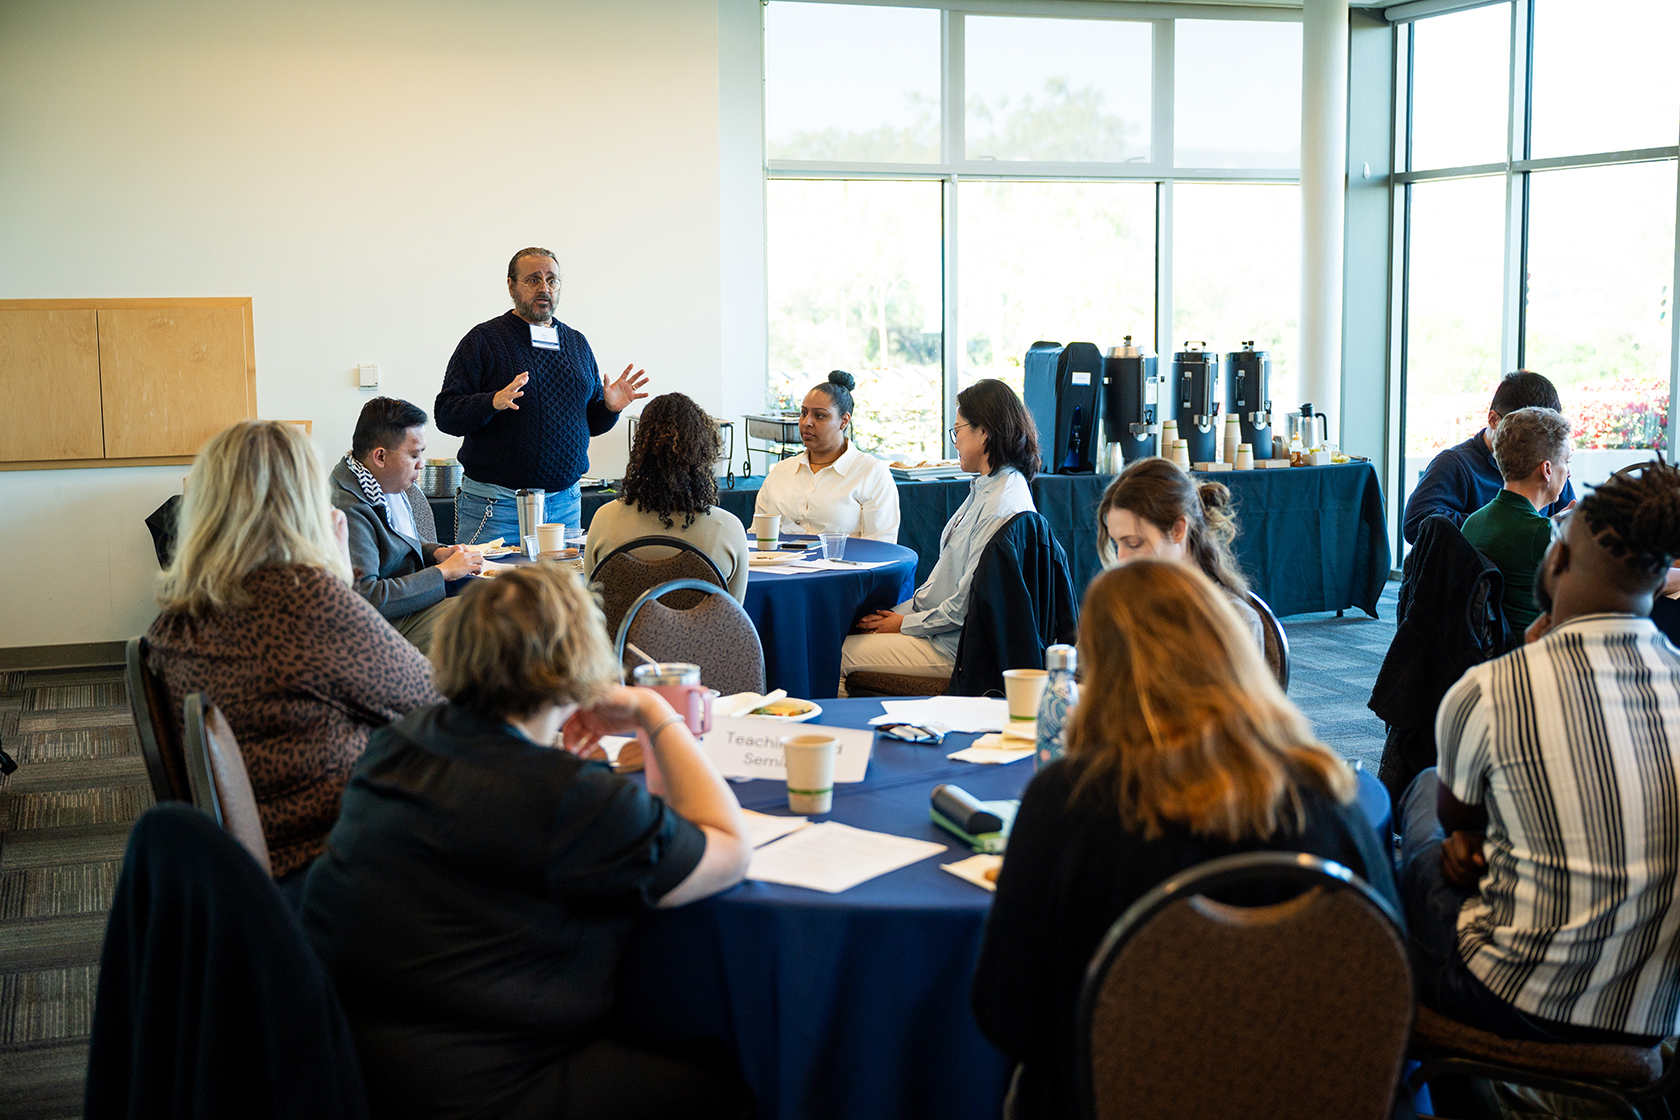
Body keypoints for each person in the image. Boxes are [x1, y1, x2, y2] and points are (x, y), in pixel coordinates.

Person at [301, 563, 753, 1120]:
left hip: (346, 1061)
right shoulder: (569, 797)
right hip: (486, 1087)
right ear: (579, 661)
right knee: (726, 1078)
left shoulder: (398, 742)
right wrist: (655, 711)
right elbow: (731, 849)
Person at [973, 560, 1397, 1120]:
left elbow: (1009, 1015)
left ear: (1099, 672)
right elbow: (1386, 982)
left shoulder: (1067, 802)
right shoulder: (1332, 797)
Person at [1399, 461, 1680, 1050]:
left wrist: (1470, 839)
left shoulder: (1492, 690)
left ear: (1555, 561)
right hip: (1648, 1015)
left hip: (1511, 996)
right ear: (1660, 584)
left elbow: (1460, 827)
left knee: (1421, 795)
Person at [146, 421, 440, 897]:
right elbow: (435, 705)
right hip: (336, 866)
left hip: (244, 870)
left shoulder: (175, 619)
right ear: (301, 504)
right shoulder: (308, 602)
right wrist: (339, 579)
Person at [435, 246, 650, 545]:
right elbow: (446, 414)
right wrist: (492, 402)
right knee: (488, 592)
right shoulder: (483, 340)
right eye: (533, 279)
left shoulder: (576, 343)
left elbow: (588, 423)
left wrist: (609, 409)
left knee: (557, 593)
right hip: (497, 506)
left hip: (564, 505)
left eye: (552, 280)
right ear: (511, 286)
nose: (544, 288)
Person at [839, 379, 1038, 684]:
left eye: (957, 431)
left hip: (953, 647)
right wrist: (900, 616)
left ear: (983, 432)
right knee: (852, 625)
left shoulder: (1000, 506)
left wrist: (904, 623)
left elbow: (963, 607)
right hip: (936, 624)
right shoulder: (993, 485)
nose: (955, 441)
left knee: (837, 654)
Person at [330, 396, 482, 652]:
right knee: (486, 619)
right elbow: (367, 597)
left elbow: (398, 542)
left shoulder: (379, 479)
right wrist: (442, 572)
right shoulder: (348, 507)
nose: (421, 464)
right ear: (380, 456)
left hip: (407, 608)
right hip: (381, 627)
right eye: (414, 455)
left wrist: (437, 552)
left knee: (491, 601)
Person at [584, 392, 751, 601]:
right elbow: (733, 616)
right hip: (700, 634)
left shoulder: (604, 520)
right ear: (703, 452)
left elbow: (593, 604)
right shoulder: (729, 529)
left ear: (639, 450)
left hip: (620, 634)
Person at [1096, 455, 1264, 648]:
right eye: (1117, 544)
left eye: (1134, 543)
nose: (1121, 558)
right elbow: (1075, 672)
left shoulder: (1232, 620)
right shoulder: (1121, 606)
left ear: (1177, 530)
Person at [1402, 370, 1576, 545]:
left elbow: (1568, 522)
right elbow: (1416, 523)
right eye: (1519, 428)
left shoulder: (1549, 466)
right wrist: (1501, 527)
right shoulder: (1455, 464)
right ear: (1493, 419)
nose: (1532, 443)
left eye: (1543, 434)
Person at [1458, 405, 1571, 634]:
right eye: (1567, 461)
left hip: (1486, 656)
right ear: (1547, 470)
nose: (1569, 472)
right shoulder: (1542, 535)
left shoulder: (1474, 522)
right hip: (1533, 657)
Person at [752, 371, 900, 542]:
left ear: (844, 421)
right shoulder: (781, 470)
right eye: (803, 413)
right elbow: (756, 536)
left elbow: (881, 547)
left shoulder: (871, 472)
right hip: (777, 566)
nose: (807, 422)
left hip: (846, 567)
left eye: (819, 415)